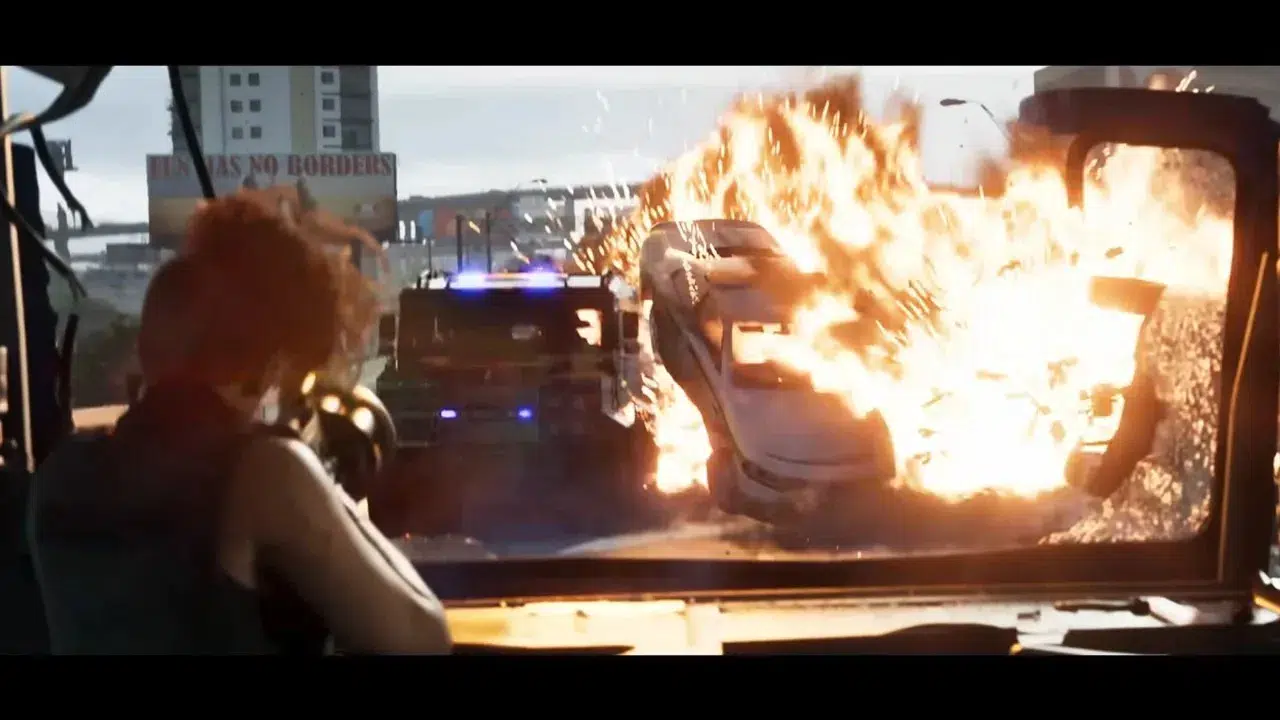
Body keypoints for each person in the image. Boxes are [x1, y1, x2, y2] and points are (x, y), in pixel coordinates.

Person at [28, 186, 451, 654]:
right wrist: (329, 494)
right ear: (271, 367)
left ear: (145, 349)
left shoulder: (58, 477)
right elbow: (423, 636)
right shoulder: (267, 471)